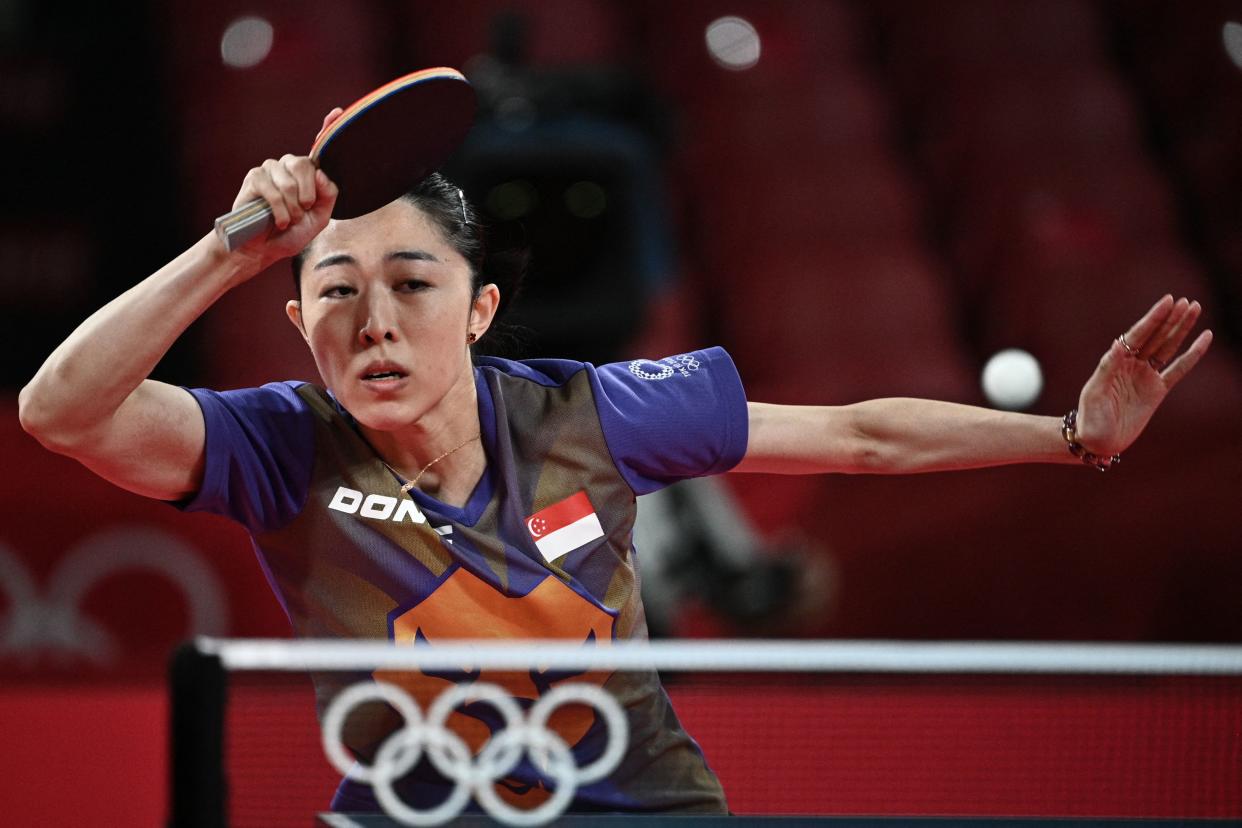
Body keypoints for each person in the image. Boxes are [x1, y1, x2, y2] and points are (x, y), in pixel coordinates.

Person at [18, 109, 1212, 814]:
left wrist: (1068, 441)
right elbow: (58, 411)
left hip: (638, 810)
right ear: (296, 326)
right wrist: (233, 251)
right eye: (334, 293)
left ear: (480, 310)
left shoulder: (593, 417)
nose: (374, 322)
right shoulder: (278, 445)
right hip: (410, 812)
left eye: (412, 287)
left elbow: (855, 432)